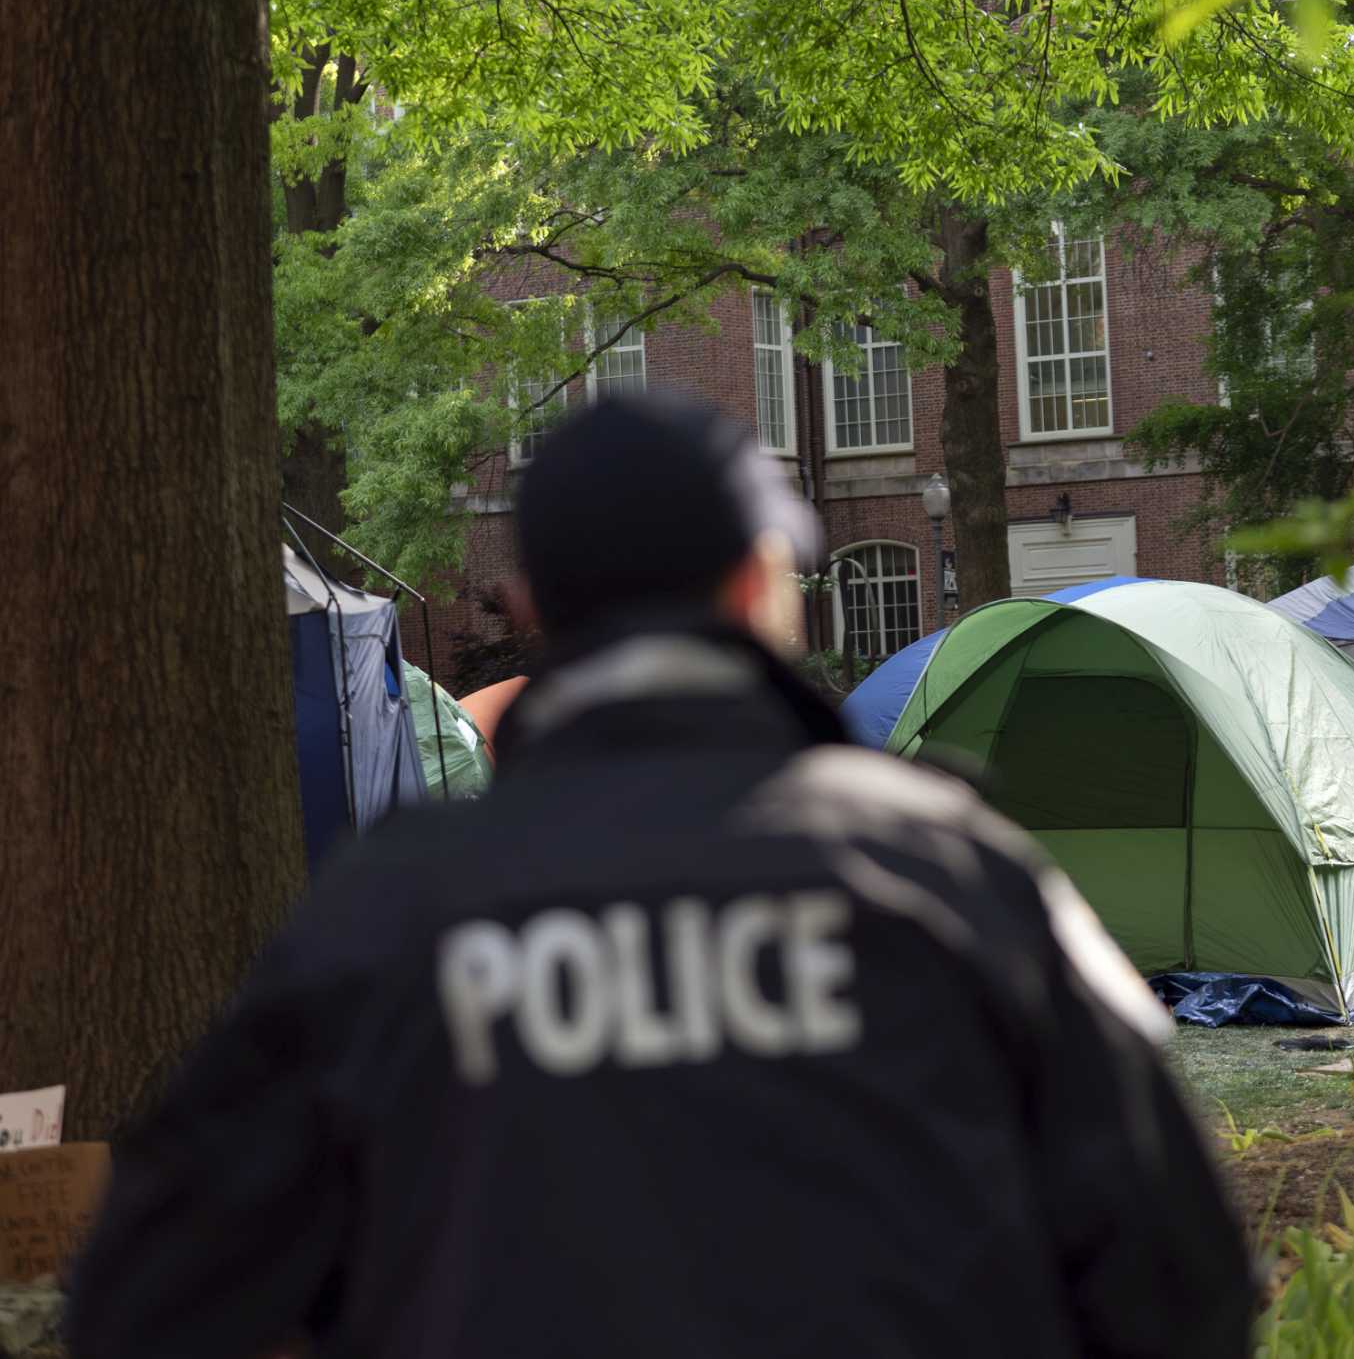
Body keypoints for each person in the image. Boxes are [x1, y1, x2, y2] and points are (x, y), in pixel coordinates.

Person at [67, 395, 1253, 1359]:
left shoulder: (388, 917)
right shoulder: (948, 872)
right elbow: (1182, 1276)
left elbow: (148, 1297)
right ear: (755, 581)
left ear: (531, 602)